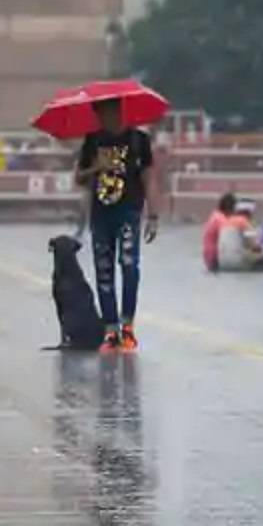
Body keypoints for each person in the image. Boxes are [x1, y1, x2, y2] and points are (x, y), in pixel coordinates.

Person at [74, 97, 159, 352]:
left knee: (129, 264)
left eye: (109, 113)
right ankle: (110, 329)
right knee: (104, 269)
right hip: (101, 213)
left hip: (129, 211)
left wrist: (153, 215)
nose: (105, 119)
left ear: (119, 111)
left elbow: (149, 179)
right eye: (100, 115)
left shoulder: (138, 141)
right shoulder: (92, 141)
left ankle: (127, 325)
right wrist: (95, 168)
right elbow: (78, 178)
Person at [216, 200, 259, 271]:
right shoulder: (243, 221)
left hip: (222, 263)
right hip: (236, 263)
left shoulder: (226, 221)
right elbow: (254, 244)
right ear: (249, 213)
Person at [202, 193, 236, 272]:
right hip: (215, 259)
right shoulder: (221, 219)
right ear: (229, 209)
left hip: (208, 258)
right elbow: (230, 237)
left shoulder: (214, 215)